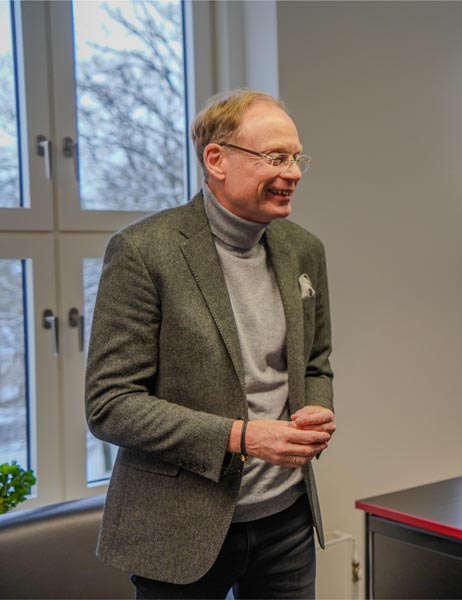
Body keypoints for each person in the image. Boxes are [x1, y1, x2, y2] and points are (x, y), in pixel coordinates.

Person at [85, 88, 335, 598]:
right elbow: (110, 405)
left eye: (296, 158)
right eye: (276, 157)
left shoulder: (305, 250)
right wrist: (242, 437)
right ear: (216, 159)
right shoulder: (142, 251)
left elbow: (314, 361)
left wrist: (315, 409)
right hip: (180, 527)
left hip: (287, 521)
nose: (293, 173)